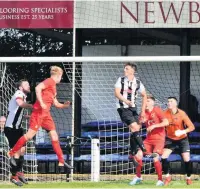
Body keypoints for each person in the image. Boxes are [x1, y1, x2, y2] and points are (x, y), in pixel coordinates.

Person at [7, 66, 73, 171]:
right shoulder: (49, 81)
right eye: (61, 76)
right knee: (29, 136)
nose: (61, 78)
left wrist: (64, 105)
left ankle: (61, 160)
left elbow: (55, 103)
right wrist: (41, 102)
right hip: (38, 113)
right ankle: (11, 153)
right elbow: (38, 88)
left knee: (54, 136)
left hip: (46, 115)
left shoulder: (54, 88)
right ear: (59, 75)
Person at [129, 95, 169, 186]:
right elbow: (137, 127)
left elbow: (166, 122)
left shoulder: (157, 110)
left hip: (159, 139)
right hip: (148, 139)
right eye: (145, 101)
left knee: (155, 157)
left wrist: (154, 126)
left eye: (148, 101)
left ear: (152, 102)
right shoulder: (143, 113)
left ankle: (160, 180)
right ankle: (138, 177)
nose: (146, 103)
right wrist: (135, 124)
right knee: (138, 155)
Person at [115, 63, 147, 164]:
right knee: (134, 127)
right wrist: (126, 101)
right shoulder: (121, 80)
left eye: (127, 68)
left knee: (136, 128)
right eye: (125, 68)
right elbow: (116, 93)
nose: (124, 70)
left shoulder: (138, 83)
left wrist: (142, 111)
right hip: (123, 108)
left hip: (133, 109)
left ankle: (132, 153)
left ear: (132, 71)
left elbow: (144, 95)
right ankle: (143, 148)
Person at [4, 80, 32, 186]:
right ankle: (14, 177)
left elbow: (18, 113)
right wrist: (31, 106)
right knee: (16, 152)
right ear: (20, 88)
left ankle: (19, 172)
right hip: (11, 128)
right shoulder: (19, 93)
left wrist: (29, 116)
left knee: (23, 150)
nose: (28, 85)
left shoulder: (23, 95)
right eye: (26, 84)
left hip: (18, 128)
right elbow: (20, 103)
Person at [161, 97, 195, 186]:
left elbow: (192, 127)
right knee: (163, 157)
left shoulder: (182, 113)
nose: (169, 103)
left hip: (182, 139)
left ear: (176, 104)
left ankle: (188, 178)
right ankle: (168, 177)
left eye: (171, 101)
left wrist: (182, 131)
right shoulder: (164, 113)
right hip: (170, 139)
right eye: (168, 101)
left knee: (187, 159)